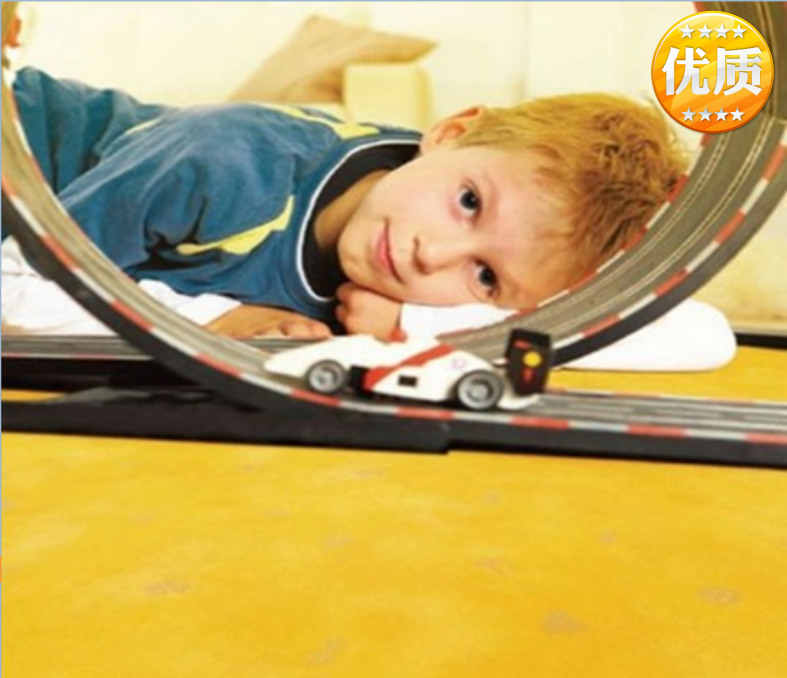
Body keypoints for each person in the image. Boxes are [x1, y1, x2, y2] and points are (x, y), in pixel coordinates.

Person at [4, 66, 687, 341]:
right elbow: (19, 287)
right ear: (450, 133)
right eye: (468, 202)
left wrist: (405, 323)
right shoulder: (226, 163)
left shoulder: (412, 245)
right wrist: (227, 324)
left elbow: (676, 334)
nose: (432, 255)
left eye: (483, 276)